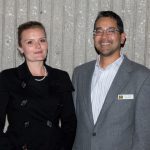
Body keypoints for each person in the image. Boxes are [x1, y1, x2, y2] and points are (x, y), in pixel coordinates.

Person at [72, 10, 150, 150]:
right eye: (99, 31)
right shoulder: (80, 73)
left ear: (122, 37)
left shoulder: (142, 77)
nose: (104, 37)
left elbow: (143, 136)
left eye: (111, 31)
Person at [0, 21, 76, 150]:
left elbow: (70, 123)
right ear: (20, 48)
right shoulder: (8, 78)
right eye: (30, 42)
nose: (38, 46)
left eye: (42, 40)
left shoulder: (60, 77)